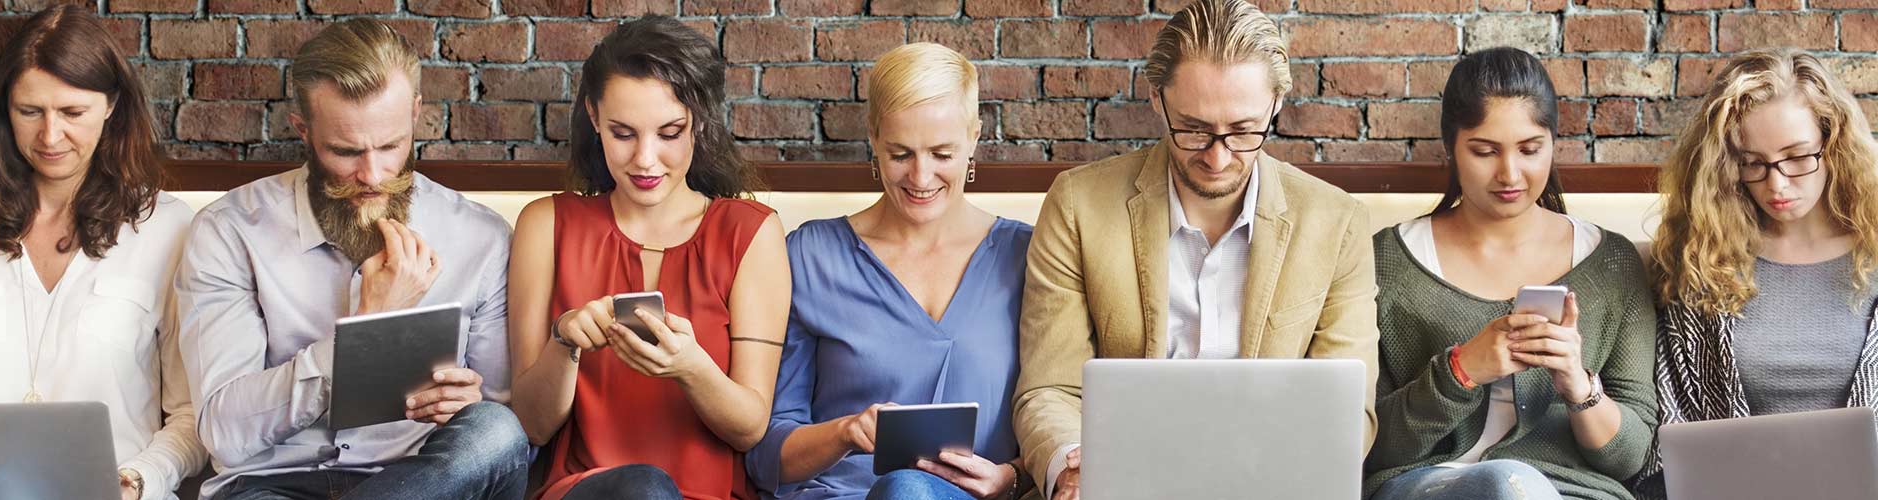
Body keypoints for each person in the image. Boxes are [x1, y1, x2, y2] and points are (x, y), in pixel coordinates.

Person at [1009, 0, 1379, 498]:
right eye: (1194, 129)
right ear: (1157, 100)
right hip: (1124, 484)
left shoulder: (1337, 223)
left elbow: (1348, 410)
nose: (1218, 157)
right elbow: (1049, 388)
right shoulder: (1078, 204)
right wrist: (1069, 463)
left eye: (1244, 131)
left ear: (1275, 105)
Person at [176, 18, 526, 500]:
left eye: (391, 145)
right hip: (270, 486)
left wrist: (463, 405)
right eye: (345, 151)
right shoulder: (230, 230)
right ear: (303, 129)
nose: (372, 174)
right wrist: (368, 326)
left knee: (496, 430)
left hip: (419, 481)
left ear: (416, 114)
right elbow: (225, 432)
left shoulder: (481, 238)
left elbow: (495, 418)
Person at [505, 16, 790, 500]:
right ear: (594, 118)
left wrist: (691, 367)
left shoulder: (750, 233)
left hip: (704, 493)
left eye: (669, 132)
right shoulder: (546, 224)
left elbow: (749, 428)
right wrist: (563, 342)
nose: (645, 159)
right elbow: (531, 428)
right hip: (586, 490)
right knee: (643, 487)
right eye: (623, 133)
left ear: (698, 121)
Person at [742, 42, 1036, 500]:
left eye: (942, 154)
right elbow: (766, 455)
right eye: (901, 154)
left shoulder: (1029, 255)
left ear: (974, 138)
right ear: (874, 139)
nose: (920, 178)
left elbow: (1064, 411)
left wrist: (1014, 476)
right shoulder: (811, 256)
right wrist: (844, 431)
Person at [1361, 47, 1658, 500]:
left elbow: (1631, 458)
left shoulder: (1613, 263)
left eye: (1530, 149)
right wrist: (1461, 371)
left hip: (1574, 493)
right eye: (1484, 151)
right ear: (1451, 150)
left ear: (1553, 145)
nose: (1509, 173)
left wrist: (1579, 386)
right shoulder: (1388, 261)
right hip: (1430, 487)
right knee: (1505, 484)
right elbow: (1368, 445)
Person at [0, 5, 203, 500]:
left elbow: (194, 413)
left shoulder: (169, 229)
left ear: (111, 105)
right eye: (30, 111)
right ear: (5, 108)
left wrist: (137, 481)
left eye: (72, 113)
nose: (49, 137)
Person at [1635, 48, 1878, 497]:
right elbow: (1671, 426)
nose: (1777, 184)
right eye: (1754, 163)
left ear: (1834, 143)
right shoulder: (1702, 263)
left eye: (1798, 156)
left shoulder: (1872, 254)